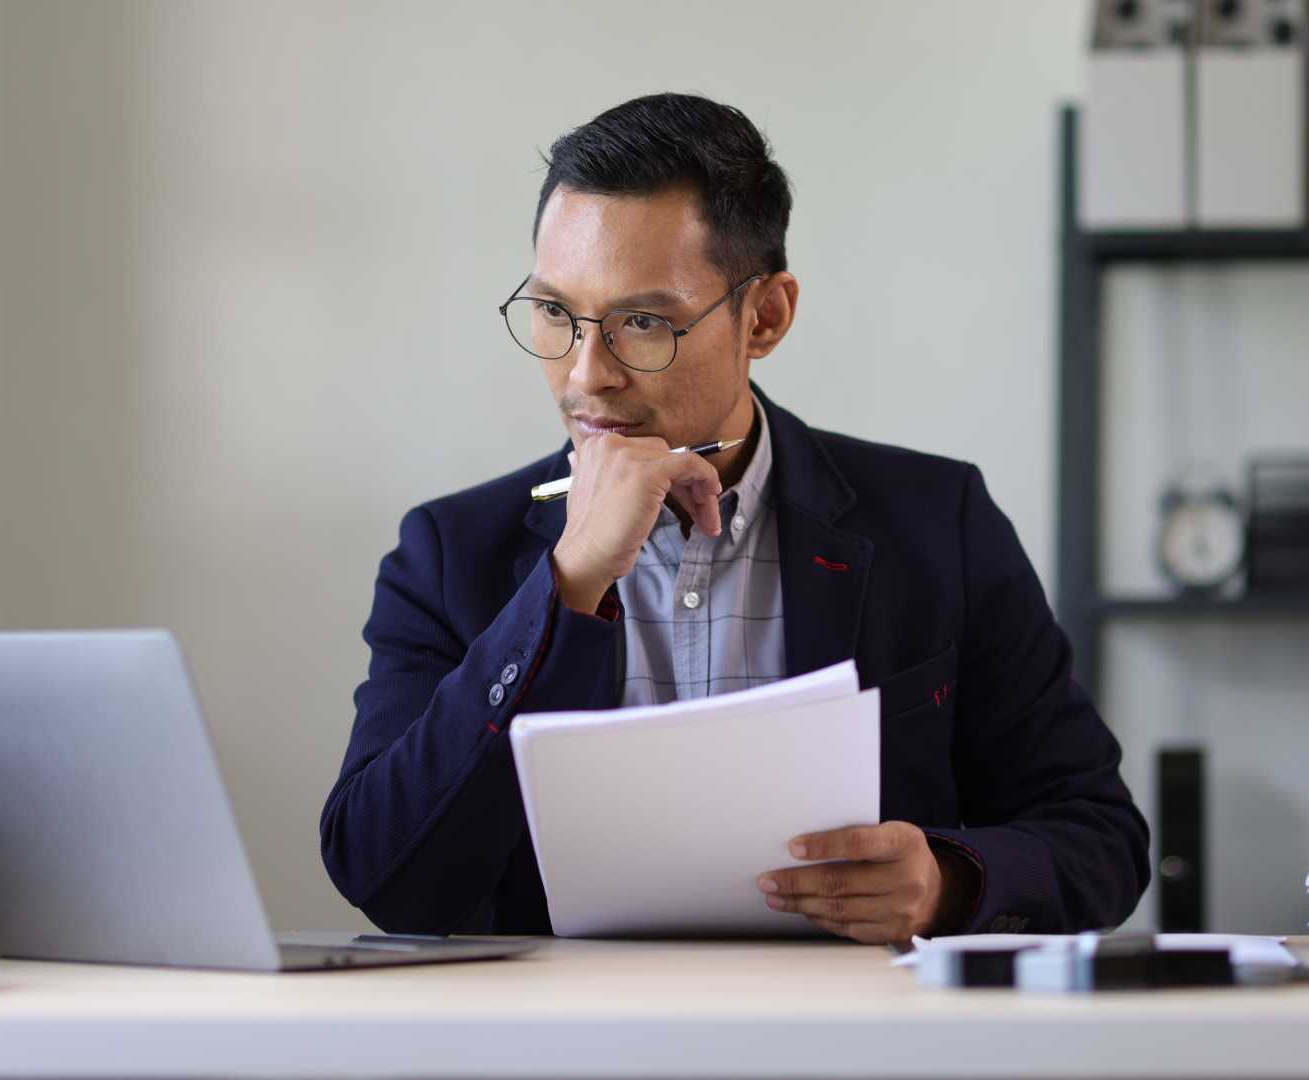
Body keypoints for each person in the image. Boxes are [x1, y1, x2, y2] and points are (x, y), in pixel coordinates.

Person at [320, 93, 1149, 944]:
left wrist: (948, 882)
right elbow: (386, 877)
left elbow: (1101, 837)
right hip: (562, 1045)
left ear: (765, 317)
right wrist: (567, 585)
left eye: (642, 322)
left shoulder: (938, 524)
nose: (585, 375)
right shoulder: (450, 552)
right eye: (557, 315)